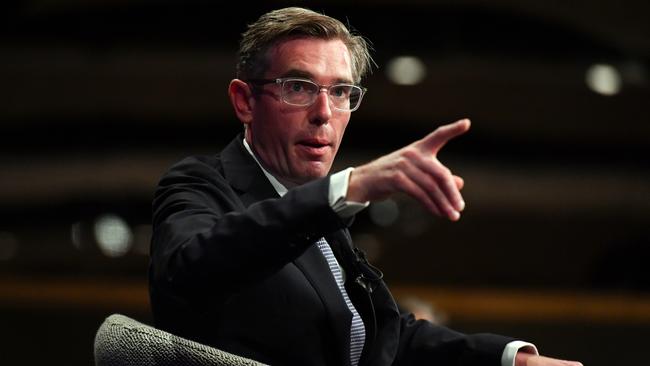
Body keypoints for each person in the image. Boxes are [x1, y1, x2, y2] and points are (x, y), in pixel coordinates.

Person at [148, 7, 582, 366]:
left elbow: (384, 337)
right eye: (299, 87)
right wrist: (351, 186)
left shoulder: (327, 217)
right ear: (245, 101)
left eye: (340, 92)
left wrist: (512, 359)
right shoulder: (201, 184)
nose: (323, 112)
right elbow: (191, 268)